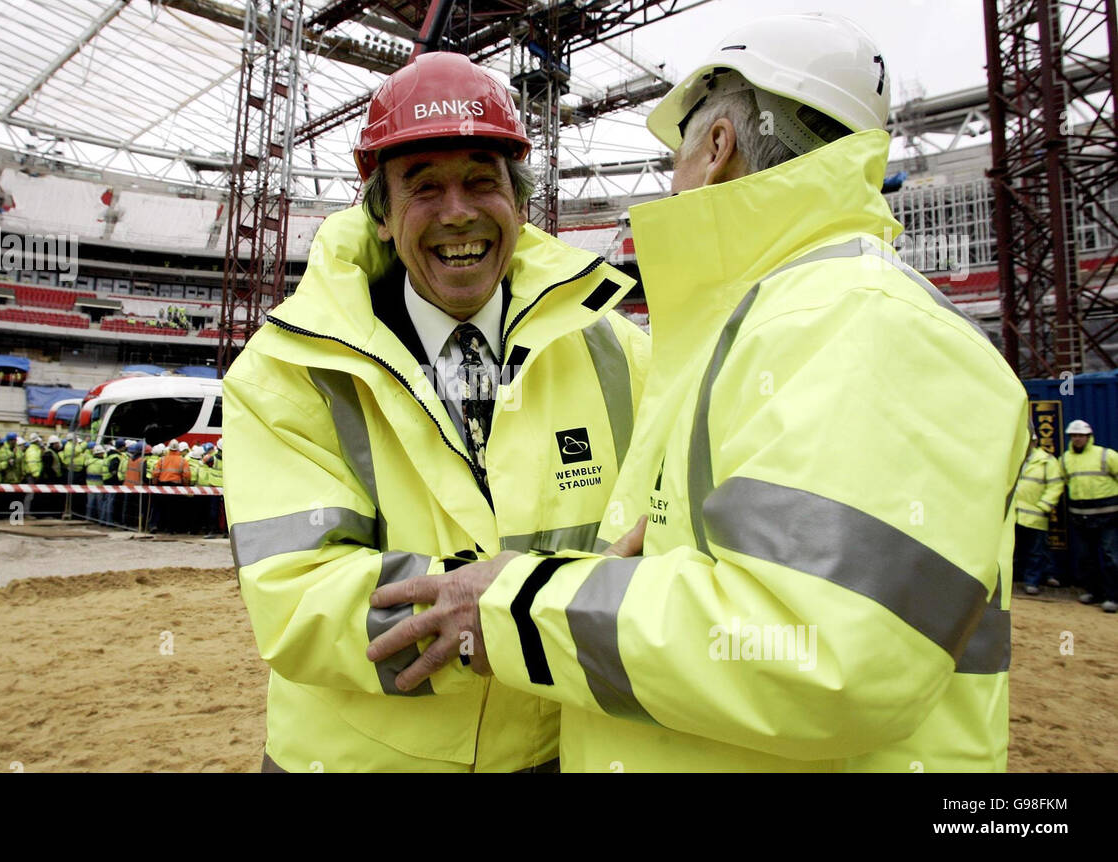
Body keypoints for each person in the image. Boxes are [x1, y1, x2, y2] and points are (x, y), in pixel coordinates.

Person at [366, 15, 1028, 772]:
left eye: (673, 150)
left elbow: (819, 656)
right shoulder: (760, 329)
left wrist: (519, 604)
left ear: (715, 149)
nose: (667, 178)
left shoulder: (859, 322)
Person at [223, 51, 650, 772]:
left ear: (518, 204)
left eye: (482, 182)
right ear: (383, 217)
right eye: (423, 188)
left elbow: (652, 542)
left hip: (555, 752)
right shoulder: (287, 370)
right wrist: (461, 619)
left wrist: (507, 608)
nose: (458, 213)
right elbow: (293, 598)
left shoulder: (616, 351)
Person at [1060, 419, 1118, 612]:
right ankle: (1094, 592)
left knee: (1110, 557)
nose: (1077, 439)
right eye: (1074, 436)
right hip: (1080, 517)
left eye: (1081, 436)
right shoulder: (1065, 459)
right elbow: (1066, 483)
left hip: (1108, 517)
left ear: (1088, 437)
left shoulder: (1105, 455)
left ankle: (1113, 597)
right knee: (1086, 557)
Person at [1013, 430, 1064, 595]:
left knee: (1035, 551)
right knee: (1013, 549)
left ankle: (1032, 582)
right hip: (1013, 514)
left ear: (1035, 443)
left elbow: (1055, 485)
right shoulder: (1013, 459)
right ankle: (1015, 579)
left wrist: (1044, 506)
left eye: (1030, 442)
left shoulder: (1046, 461)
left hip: (1035, 515)